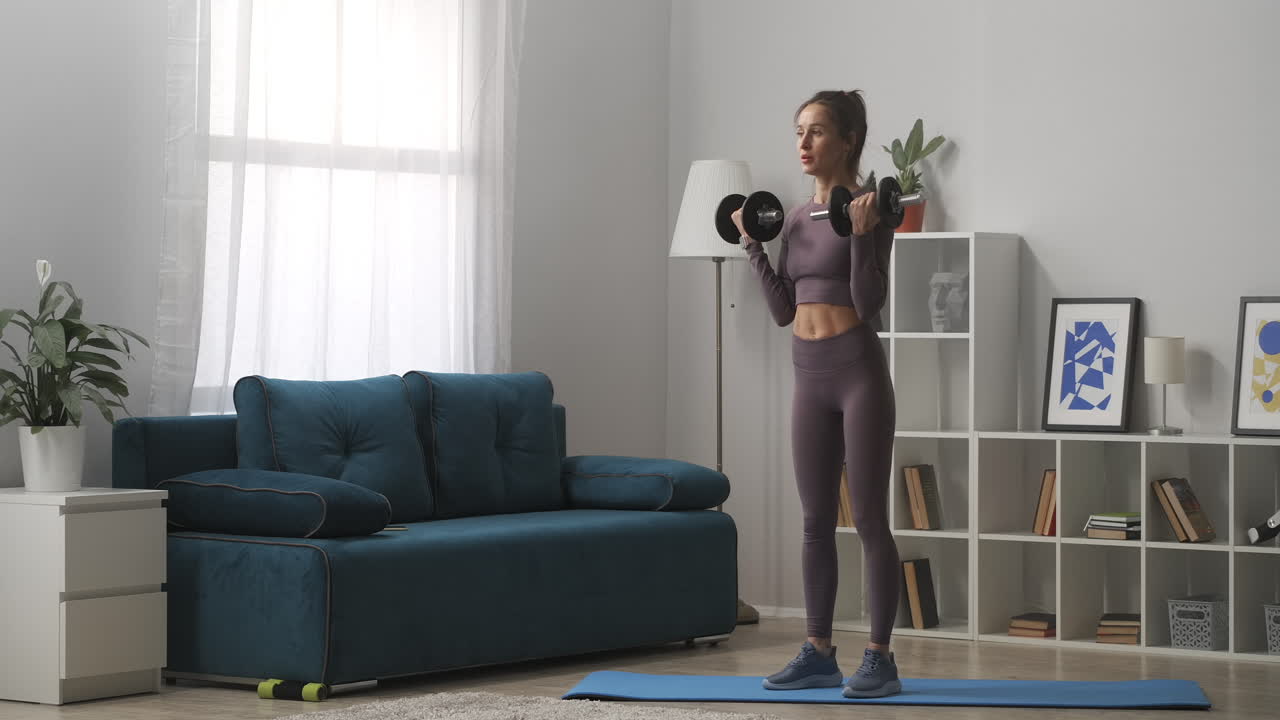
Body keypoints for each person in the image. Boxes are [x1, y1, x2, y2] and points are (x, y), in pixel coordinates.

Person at [732, 89, 900, 699]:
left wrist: (859, 235)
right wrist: (751, 245)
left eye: (818, 132)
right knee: (813, 522)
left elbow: (869, 305)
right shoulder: (796, 220)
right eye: (799, 131)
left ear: (849, 139)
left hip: (856, 371)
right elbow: (782, 309)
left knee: (873, 520)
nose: (803, 144)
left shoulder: (870, 209)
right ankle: (820, 651)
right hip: (807, 374)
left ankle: (880, 658)